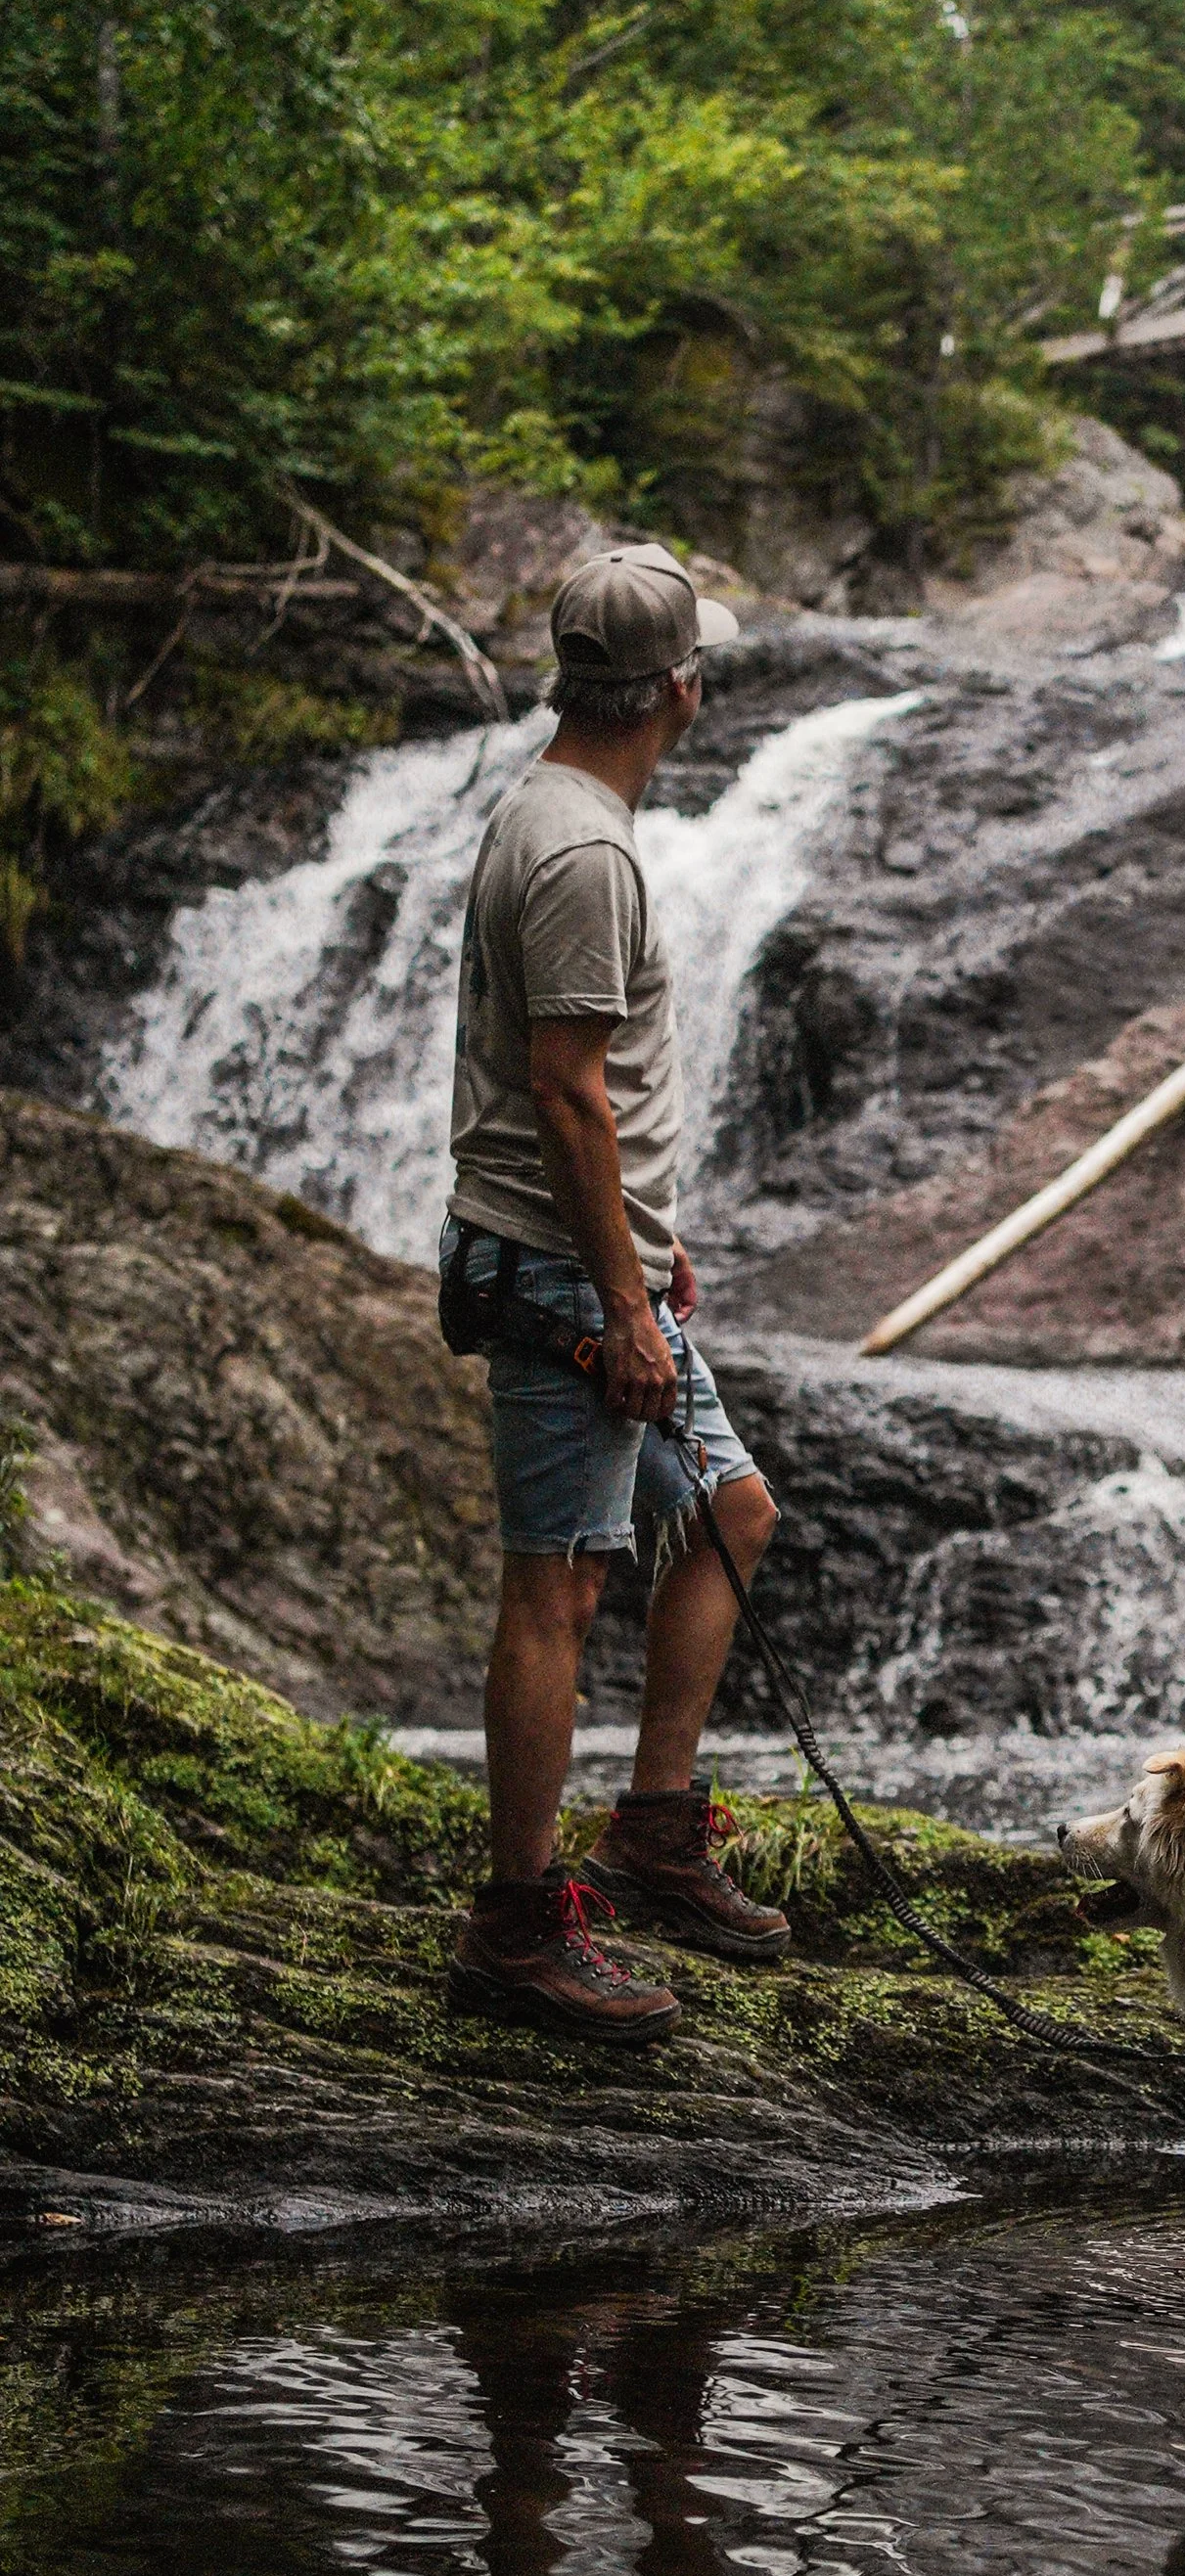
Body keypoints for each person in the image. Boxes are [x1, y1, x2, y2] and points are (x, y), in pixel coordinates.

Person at [441, 540, 790, 2043]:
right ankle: (517, 1928)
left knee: (731, 1511)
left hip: (602, 1256)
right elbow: (565, 1091)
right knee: (562, 1579)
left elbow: (601, 1100)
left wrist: (651, 1242)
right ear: (679, 690)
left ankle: (651, 1829)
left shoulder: (561, 810)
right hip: (556, 1276)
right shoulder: (583, 852)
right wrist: (622, 1299)